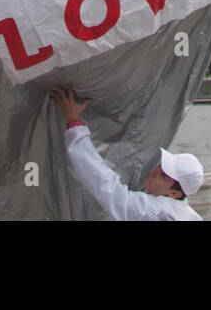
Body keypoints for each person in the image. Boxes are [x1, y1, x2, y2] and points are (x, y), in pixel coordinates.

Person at [49, 84, 203, 221]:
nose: (155, 171)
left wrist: (74, 123)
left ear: (174, 194)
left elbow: (105, 186)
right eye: (160, 166)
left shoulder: (153, 211)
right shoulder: (187, 214)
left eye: (163, 176)